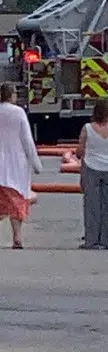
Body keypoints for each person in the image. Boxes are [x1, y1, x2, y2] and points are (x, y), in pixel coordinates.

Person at [75, 98, 108, 250]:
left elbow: (80, 151)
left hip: (91, 166)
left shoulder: (87, 128)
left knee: (92, 204)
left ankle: (91, 240)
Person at [0, 83, 42, 249]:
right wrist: (36, 164)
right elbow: (27, 140)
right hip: (15, 163)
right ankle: (17, 236)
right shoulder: (18, 113)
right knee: (16, 201)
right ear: (12, 95)